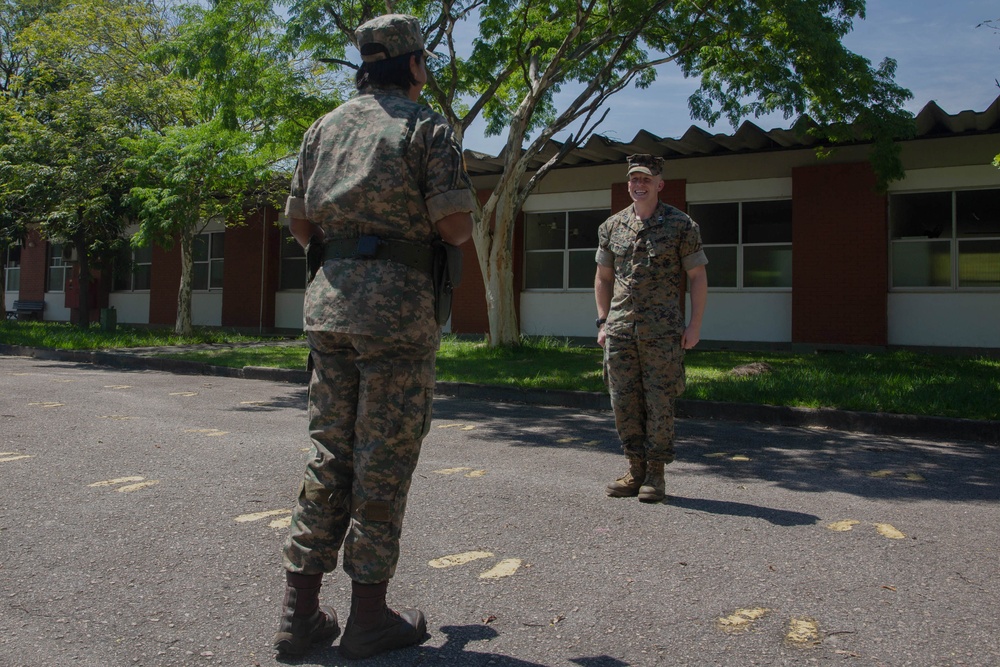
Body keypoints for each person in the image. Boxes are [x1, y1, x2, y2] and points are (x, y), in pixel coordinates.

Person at [273, 14, 474, 660]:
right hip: (397, 318)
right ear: (414, 65)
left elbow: (301, 223)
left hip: (328, 311)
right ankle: (367, 617)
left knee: (328, 453)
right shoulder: (425, 129)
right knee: (381, 456)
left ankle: (298, 616)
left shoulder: (323, 128)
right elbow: (455, 227)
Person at [594, 154, 708, 503]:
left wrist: (694, 325)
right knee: (624, 402)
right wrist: (602, 321)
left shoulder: (681, 225)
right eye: (634, 179)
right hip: (620, 331)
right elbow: (603, 277)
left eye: (646, 179)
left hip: (662, 333)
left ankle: (656, 475)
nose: (638, 185)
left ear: (660, 184)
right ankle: (634, 469)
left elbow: (697, 276)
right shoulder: (612, 227)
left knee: (659, 403)